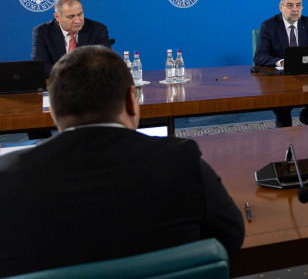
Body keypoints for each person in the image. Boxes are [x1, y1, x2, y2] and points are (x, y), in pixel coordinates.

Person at [0, 46, 245, 277]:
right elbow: (230, 237)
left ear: (53, 111)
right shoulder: (181, 160)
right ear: (131, 100)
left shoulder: (8, 177)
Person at [254, 0, 308, 127]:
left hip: (307, 76)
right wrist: (281, 62)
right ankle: (284, 121)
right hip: (281, 79)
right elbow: (259, 57)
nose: (295, 9)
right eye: (290, 5)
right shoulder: (268, 26)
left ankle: (307, 114)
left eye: (298, 5)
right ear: (281, 7)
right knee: (284, 116)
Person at [32, 0, 110, 77]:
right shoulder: (42, 32)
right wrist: (74, 73)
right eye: (70, 17)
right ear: (57, 17)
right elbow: (41, 67)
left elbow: (105, 63)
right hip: (59, 82)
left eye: (80, 14)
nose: (77, 21)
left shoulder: (97, 29)